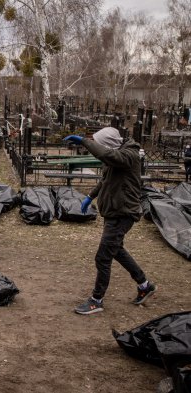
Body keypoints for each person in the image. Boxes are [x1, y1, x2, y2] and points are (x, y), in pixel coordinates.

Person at [63, 127, 156, 315]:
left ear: (108, 144)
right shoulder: (116, 157)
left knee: (103, 257)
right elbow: (105, 180)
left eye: (100, 144)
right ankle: (144, 284)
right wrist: (90, 196)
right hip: (114, 212)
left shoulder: (128, 156)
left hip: (122, 213)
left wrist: (84, 141)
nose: (98, 147)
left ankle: (96, 300)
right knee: (116, 250)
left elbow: (107, 155)